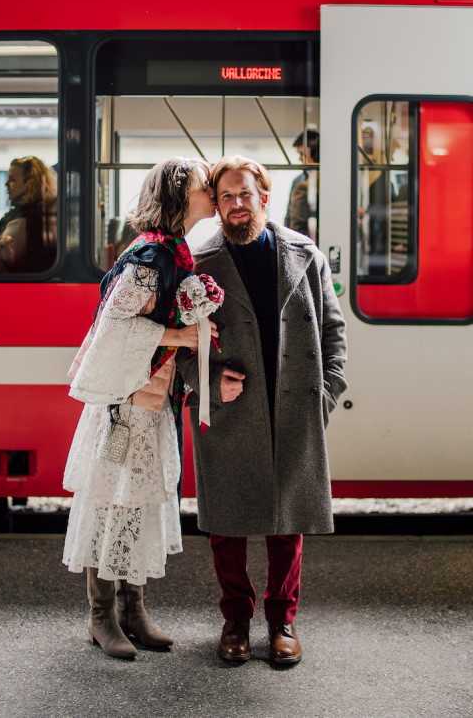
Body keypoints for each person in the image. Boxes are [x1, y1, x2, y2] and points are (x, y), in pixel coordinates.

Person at [177, 155, 347, 669]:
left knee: (286, 522)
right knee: (227, 527)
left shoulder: (304, 253)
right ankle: (235, 620)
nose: (234, 206)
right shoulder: (198, 260)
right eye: (225, 197)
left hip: (294, 408)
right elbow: (181, 347)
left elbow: (334, 329)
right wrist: (204, 383)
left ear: (263, 199)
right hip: (229, 412)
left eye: (243, 195)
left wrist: (327, 390)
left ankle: (282, 621)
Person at [62, 157, 216, 661]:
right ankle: (101, 615)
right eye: (202, 185)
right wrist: (180, 334)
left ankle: (132, 609)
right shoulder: (151, 257)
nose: (211, 190)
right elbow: (114, 329)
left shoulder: (172, 252)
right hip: (125, 405)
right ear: (178, 197)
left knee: (139, 500)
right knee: (112, 501)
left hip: (148, 399)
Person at [0, 156, 57, 272]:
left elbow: (0, 259)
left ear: (30, 183)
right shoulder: (24, 213)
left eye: (12, 180)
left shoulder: (27, 219)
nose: (6, 184)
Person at [284, 129, 319, 239]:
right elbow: (290, 216)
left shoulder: (329, 181)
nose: (300, 158)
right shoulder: (298, 181)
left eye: (302, 154)